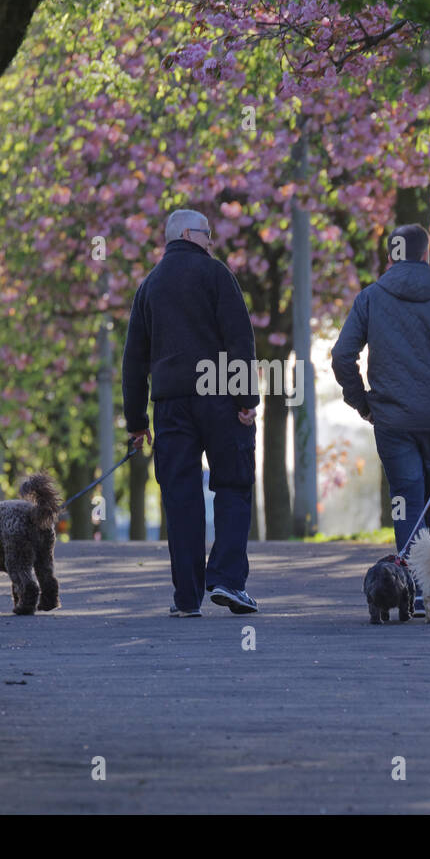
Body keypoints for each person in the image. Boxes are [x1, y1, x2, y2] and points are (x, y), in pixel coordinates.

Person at [330, 223, 430, 613]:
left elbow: (341, 354)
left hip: (394, 420)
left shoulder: (371, 298)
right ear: (425, 254)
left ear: (391, 255)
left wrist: (362, 401)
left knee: (406, 500)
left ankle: (413, 588)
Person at [122, 209, 260, 617]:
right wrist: (246, 399)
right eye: (208, 234)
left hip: (170, 406)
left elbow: (134, 359)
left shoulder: (149, 286)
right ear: (188, 233)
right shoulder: (216, 275)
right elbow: (240, 337)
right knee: (233, 485)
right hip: (218, 394)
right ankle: (228, 581)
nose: (212, 242)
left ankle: (187, 599)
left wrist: (136, 422)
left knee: (181, 498)